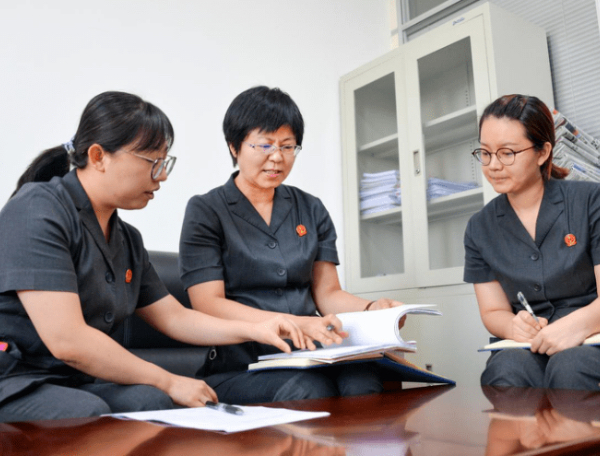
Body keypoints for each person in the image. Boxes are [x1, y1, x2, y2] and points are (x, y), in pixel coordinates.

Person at [0, 91, 307, 422]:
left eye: (165, 163)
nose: (161, 176)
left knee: (150, 401)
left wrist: (257, 328)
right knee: (90, 412)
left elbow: (175, 318)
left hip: (73, 382)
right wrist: (170, 380)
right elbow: (67, 340)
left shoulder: (127, 239)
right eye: (152, 162)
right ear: (99, 156)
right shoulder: (38, 209)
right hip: (15, 378)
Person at [179, 86, 405, 404]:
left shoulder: (311, 208)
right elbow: (208, 304)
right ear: (234, 146)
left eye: (287, 146)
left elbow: (327, 294)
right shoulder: (206, 210)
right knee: (309, 390)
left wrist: (372, 309)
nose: (277, 157)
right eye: (264, 145)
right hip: (240, 364)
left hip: (309, 354)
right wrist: (298, 324)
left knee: (363, 379)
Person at [464, 94, 600, 390]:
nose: (493, 165)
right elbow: (492, 311)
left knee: (571, 369)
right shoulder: (479, 227)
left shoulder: (591, 201)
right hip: (530, 344)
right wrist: (513, 326)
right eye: (485, 153)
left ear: (542, 152)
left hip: (592, 333)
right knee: (505, 374)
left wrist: (575, 325)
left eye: (507, 153)